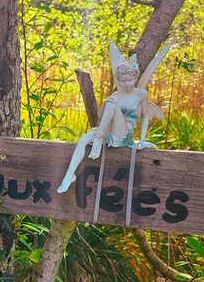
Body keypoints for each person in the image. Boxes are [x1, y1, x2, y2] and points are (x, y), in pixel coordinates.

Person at [56, 43, 168, 194]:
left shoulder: (141, 94)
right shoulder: (115, 96)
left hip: (124, 134)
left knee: (112, 105)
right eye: (123, 81)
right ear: (119, 80)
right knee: (83, 140)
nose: (127, 84)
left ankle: (98, 140)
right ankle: (69, 177)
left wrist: (141, 141)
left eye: (130, 80)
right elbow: (102, 116)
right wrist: (108, 105)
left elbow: (146, 117)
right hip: (109, 130)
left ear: (135, 77)